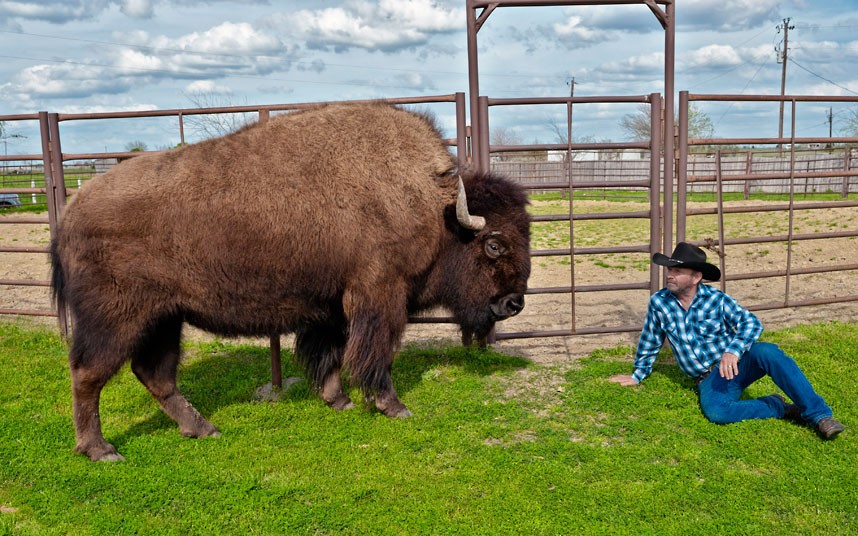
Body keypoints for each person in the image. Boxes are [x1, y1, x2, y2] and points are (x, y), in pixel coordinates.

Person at [609, 242, 845, 440]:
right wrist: (637, 374)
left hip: (736, 364)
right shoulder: (659, 303)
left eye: (677, 271)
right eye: (670, 270)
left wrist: (732, 351)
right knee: (718, 412)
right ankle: (778, 406)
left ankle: (820, 416)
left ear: (696, 277)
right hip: (708, 378)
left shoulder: (716, 299)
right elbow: (651, 340)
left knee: (767, 352)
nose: (670, 275)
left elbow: (751, 323)